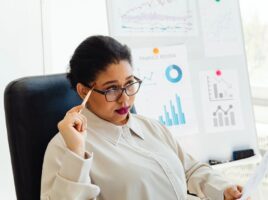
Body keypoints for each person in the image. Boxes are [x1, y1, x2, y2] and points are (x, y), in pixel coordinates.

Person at [40, 35, 247, 200]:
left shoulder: (150, 127)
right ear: (84, 92)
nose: (125, 99)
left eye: (129, 83)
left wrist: (224, 189)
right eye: (112, 89)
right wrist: (76, 154)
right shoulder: (64, 148)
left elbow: (190, 170)